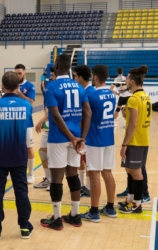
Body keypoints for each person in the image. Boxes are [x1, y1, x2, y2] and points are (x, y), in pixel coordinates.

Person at [40, 54, 91, 230]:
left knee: (56, 178)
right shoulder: (79, 87)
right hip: (76, 138)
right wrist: (81, 138)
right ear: (69, 67)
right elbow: (88, 114)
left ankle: (56, 218)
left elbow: (55, 114)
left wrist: (70, 137)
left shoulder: (51, 86)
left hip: (59, 138)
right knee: (73, 175)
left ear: (56, 65)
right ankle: (75, 215)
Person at [0, 71, 34, 240]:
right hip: (19, 156)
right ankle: (25, 226)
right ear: (19, 86)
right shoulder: (26, 105)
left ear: (2, 86)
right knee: (21, 191)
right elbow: (26, 122)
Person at [80, 65, 117, 222]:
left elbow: (86, 118)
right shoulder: (112, 95)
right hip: (109, 138)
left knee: (94, 173)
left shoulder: (92, 97)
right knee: (107, 172)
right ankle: (110, 207)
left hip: (95, 139)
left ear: (94, 77)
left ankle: (94, 211)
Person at [118, 65, 151, 214]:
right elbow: (134, 118)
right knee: (130, 169)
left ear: (132, 81)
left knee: (135, 172)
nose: (126, 81)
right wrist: (126, 115)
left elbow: (132, 124)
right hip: (143, 139)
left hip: (135, 140)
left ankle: (137, 204)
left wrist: (124, 144)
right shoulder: (146, 96)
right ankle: (130, 200)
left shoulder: (133, 99)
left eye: (127, 79)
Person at [72, 65, 96, 198]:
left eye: (75, 76)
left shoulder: (87, 93)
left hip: (87, 134)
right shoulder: (90, 90)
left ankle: (88, 187)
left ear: (80, 77)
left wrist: (81, 135)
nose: (74, 78)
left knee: (88, 162)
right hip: (88, 133)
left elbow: (86, 115)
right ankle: (84, 186)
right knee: (83, 161)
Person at [34, 67, 56, 190]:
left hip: (56, 128)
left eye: (52, 75)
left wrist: (42, 120)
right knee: (43, 152)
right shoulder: (48, 90)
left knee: (54, 155)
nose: (51, 77)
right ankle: (48, 179)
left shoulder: (54, 89)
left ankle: (55, 181)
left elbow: (55, 111)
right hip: (48, 126)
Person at [14, 64, 36, 184]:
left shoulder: (30, 86)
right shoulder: (11, 84)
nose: (17, 75)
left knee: (29, 148)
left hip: (26, 122)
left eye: (19, 73)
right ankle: (15, 172)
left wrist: (19, 93)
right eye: (16, 73)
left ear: (24, 73)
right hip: (13, 121)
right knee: (13, 147)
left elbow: (31, 101)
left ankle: (31, 174)